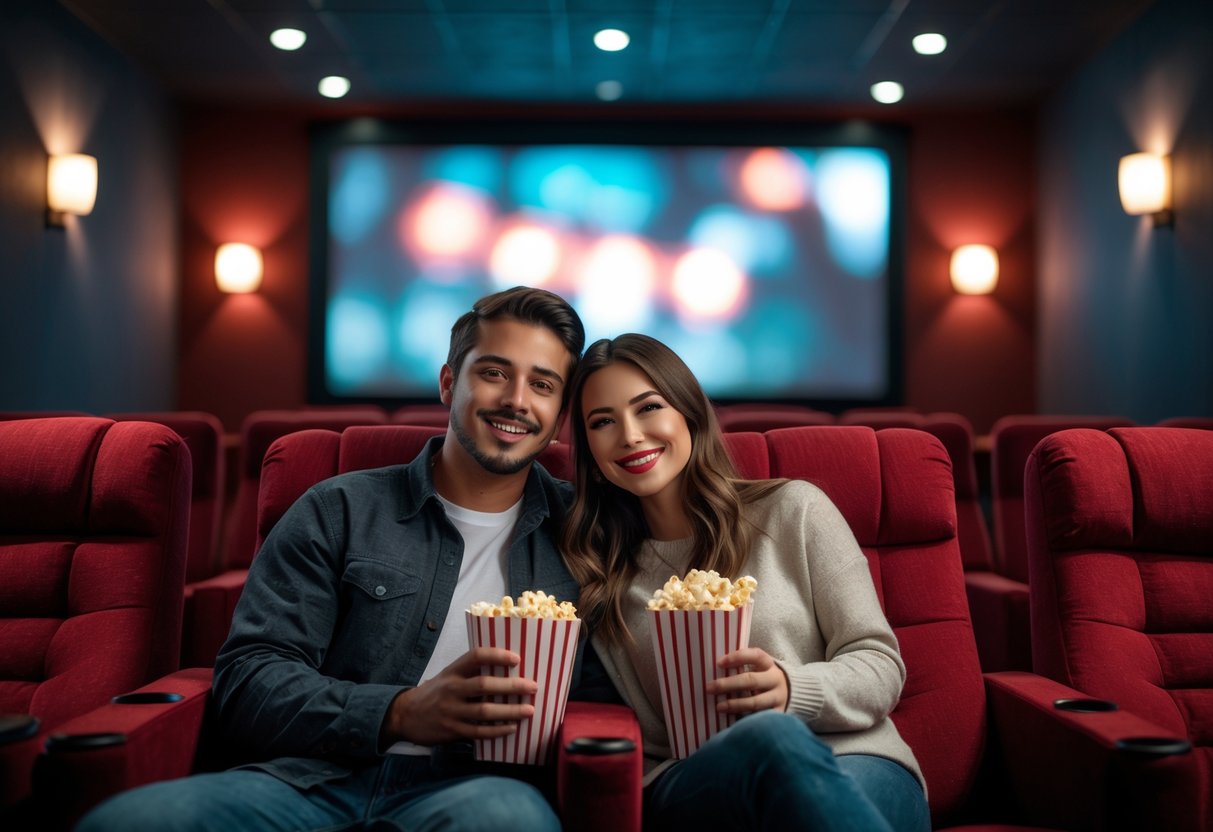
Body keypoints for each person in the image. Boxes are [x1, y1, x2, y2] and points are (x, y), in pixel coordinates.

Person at [79, 286, 611, 832]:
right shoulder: (339, 509)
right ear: (449, 383)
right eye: (494, 373)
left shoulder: (586, 535)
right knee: (128, 820)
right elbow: (247, 680)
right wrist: (398, 712)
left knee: (508, 820)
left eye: (542, 385)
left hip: (476, 790)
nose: (517, 400)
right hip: (308, 781)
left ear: (560, 412)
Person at [560, 333, 930, 832]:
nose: (628, 435)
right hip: (701, 780)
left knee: (783, 744)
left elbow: (881, 667)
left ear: (688, 415)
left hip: (855, 759)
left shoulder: (793, 511)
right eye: (602, 422)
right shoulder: (599, 575)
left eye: (648, 408)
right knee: (770, 740)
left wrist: (790, 689)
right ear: (592, 457)